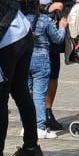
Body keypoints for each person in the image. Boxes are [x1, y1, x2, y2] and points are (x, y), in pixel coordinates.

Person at [1, 0, 76, 132]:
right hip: (29, 24)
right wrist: (45, 8)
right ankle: (33, 118)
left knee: (52, 69)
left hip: (51, 21)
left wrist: (72, 1)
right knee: (31, 72)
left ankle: (47, 112)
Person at [0, 0, 43, 156]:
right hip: (22, 31)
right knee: (21, 91)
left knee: (0, 99)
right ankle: (31, 146)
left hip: (8, 39)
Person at [29, 12, 69, 141]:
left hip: (25, 58)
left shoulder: (21, 17)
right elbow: (58, 38)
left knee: (27, 94)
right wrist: (62, 26)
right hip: (41, 59)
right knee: (39, 94)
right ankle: (40, 127)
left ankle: (27, 126)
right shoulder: (45, 20)